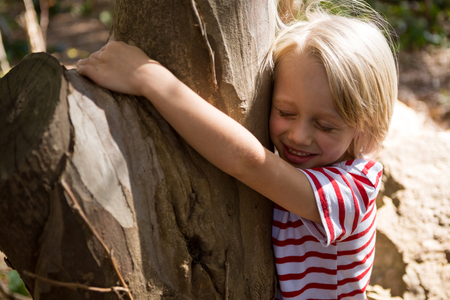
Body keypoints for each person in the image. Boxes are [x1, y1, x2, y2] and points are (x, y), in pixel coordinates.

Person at [77, 0, 398, 298]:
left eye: (326, 126)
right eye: (285, 112)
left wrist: (148, 77)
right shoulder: (305, 165)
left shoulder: (353, 190)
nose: (299, 136)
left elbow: (250, 164)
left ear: (366, 128)